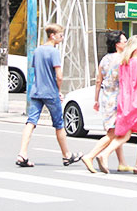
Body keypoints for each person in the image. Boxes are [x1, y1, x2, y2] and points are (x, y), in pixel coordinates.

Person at [16, 23, 82, 167]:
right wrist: (58, 91)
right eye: (60, 35)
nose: (62, 38)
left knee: (31, 122)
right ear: (52, 35)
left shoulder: (38, 50)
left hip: (36, 91)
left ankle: (22, 153)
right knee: (59, 124)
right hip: (50, 92)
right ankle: (67, 155)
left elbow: (35, 69)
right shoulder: (54, 52)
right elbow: (59, 75)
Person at [94, 35, 137, 173]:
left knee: (125, 133)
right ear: (136, 48)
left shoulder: (123, 62)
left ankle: (106, 154)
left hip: (123, 100)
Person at [81, 30, 134, 173]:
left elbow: (99, 80)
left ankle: (122, 162)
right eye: (124, 41)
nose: (126, 43)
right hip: (118, 98)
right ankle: (91, 155)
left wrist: (96, 99)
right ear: (118, 44)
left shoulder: (104, 59)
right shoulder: (123, 59)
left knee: (115, 131)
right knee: (115, 133)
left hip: (106, 97)